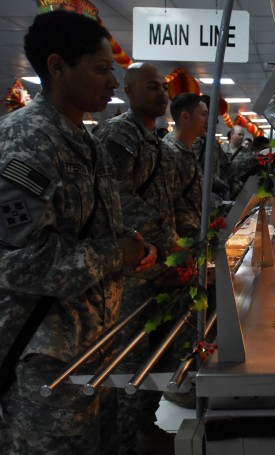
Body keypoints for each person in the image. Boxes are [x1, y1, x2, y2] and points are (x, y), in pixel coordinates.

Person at [0, 10, 154, 455]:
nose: (112, 82)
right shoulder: (25, 142)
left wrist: (139, 253)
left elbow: (107, 227)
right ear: (57, 67)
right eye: (102, 69)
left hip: (92, 349)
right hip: (43, 361)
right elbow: (15, 261)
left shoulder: (86, 141)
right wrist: (114, 254)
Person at [93, 62, 180, 455]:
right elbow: (115, 197)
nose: (162, 94)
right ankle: (124, 443)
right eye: (151, 87)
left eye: (163, 88)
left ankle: (148, 428)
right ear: (128, 91)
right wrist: (162, 235)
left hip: (159, 265)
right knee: (128, 362)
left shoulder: (153, 139)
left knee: (154, 358)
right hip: (134, 271)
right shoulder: (120, 134)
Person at [163, 92, 209, 239]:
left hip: (195, 234)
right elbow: (168, 205)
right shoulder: (169, 152)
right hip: (182, 240)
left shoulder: (188, 149)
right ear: (185, 116)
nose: (208, 120)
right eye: (203, 114)